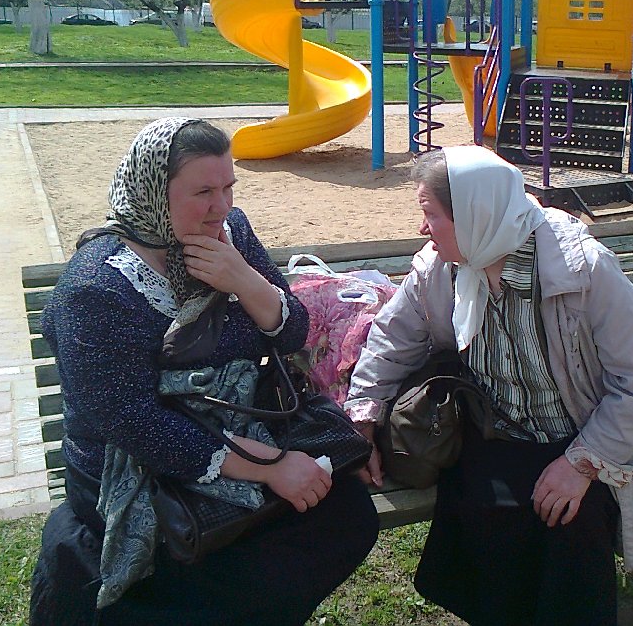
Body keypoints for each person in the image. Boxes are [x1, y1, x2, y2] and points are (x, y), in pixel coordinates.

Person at [30, 117, 378, 625]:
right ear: (154, 192)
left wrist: (243, 278)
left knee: (347, 514)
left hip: (240, 428)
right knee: (214, 566)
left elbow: (292, 333)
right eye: (203, 192)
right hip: (142, 468)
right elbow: (134, 423)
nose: (222, 206)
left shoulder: (230, 233)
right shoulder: (97, 288)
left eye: (228, 187)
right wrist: (271, 467)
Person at [345, 145, 633, 625]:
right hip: (493, 427)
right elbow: (392, 340)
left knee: (568, 520)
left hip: (580, 434)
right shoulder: (441, 267)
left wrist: (582, 463)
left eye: (431, 214)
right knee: (483, 509)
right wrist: (363, 416)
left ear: (475, 216)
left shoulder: (579, 269)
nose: (422, 228)